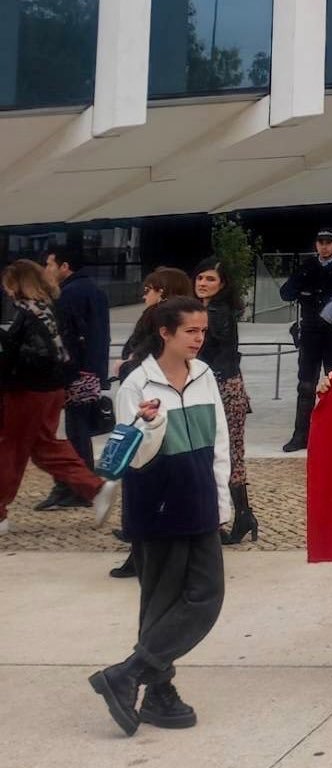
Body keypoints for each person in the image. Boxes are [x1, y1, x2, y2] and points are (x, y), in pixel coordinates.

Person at [88, 296, 230, 735]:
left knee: (207, 595)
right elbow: (132, 458)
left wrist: (222, 502)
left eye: (202, 331)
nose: (199, 339)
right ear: (165, 332)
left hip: (200, 502)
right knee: (161, 601)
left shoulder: (205, 375)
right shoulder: (136, 383)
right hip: (157, 506)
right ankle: (158, 691)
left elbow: (220, 443)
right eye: (191, 331)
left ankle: (129, 673)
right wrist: (149, 425)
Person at [0, 261, 119, 536]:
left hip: (28, 390)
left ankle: (1, 512)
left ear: (18, 284)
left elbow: (26, 354)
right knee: (44, 447)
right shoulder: (47, 308)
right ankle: (95, 487)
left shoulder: (29, 311)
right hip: (50, 389)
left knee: (11, 448)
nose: (6, 290)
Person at [109, 269, 196, 579]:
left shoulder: (159, 319)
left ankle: (143, 550)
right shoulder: (174, 318)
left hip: (151, 408)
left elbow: (149, 360)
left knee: (142, 475)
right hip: (162, 407)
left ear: (162, 291)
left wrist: (125, 367)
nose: (144, 294)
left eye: (149, 289)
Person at [278, 227, 332, 453]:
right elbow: (286, 293)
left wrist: (330, 280)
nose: (324, 247)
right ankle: (301, 435)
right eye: (320, 242)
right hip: (309, 330)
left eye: (328, 242)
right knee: (306, 384)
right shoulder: (307, 266)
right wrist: (306, 280)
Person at [194, 257, 256, 546]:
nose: (203, 283)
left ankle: (233, 516)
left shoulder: (217, 313)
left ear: (222, 284)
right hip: (221, 386)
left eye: (210, 279)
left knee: (226, 454)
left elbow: (221, 355)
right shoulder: (207, 310)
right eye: (200, 277)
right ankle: (241, 515)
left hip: (222, 389)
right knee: (228, 454)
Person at [43, 245, 110, 484]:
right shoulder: (94, 289)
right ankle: (82, 481)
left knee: (76, 429)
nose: (46, 270)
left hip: (76, 371)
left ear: (64, 266)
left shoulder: (69, 293)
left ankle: (80, 484)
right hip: (91, 368)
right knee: (80, 428)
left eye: (49, 264)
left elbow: (66, 337)